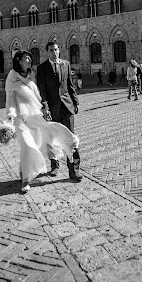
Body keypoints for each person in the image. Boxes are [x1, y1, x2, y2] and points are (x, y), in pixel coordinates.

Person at [5, 51, 79, 193]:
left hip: (34, 116)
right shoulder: (12, 76)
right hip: (20, 118)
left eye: (30, 58)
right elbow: (9, 99)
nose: (29, 60)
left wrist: (44, 109)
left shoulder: (31, 75)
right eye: (26, 58)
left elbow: (37, 96)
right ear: (19, 60)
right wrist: (10, 116)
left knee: (40, 139)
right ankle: (26, 180)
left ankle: (69, 142)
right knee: (27, 145)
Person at [37, 42, 82, 182]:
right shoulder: (42, 68)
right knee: (52, 139)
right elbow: (42, 89)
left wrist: (75, 102)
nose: (54, 52)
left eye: (56, 50)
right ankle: (54, 164)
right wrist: (45, 107)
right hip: (52, 108)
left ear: (59, 50)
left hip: (67, 106)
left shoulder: (66, 64)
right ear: (47, 52)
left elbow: (69, 85)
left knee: (70, 138)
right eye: (51, 50)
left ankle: (74, 170)